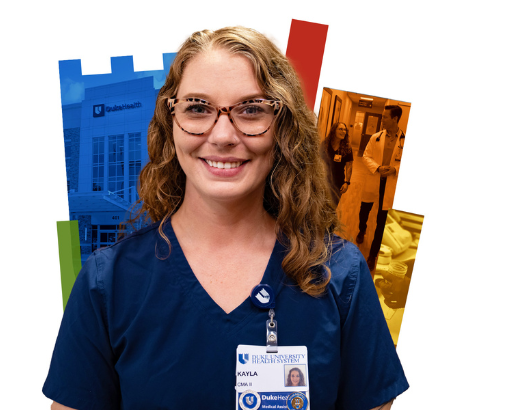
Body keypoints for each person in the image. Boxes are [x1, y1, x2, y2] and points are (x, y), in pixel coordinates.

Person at [43, 27, 407, 410]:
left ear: (282, 128)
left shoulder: (339, 274)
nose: (223, 135)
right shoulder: (108, 283)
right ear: (171, 122)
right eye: (198, 108)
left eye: (251, 109)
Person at [356, 105, 404, 268]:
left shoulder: (405, 140)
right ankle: (362, 229)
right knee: (364, 212)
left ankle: (372, 255)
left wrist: (395, 169)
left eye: (385, 117)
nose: (382, 119)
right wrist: (377, 167)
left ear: (395, 119)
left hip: (390, 184)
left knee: (382, 221)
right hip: (374, 178)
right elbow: (366, 156)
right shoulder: (376, 137)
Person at [326, 122, 354, 203]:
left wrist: (347, 182)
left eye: (345, 130)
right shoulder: (326, 144)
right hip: (324, 180)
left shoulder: (347, 148)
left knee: (332, 206)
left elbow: (349, 166)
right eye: (340, 129)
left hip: (338, 182)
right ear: (334, 131)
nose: (343, 131)